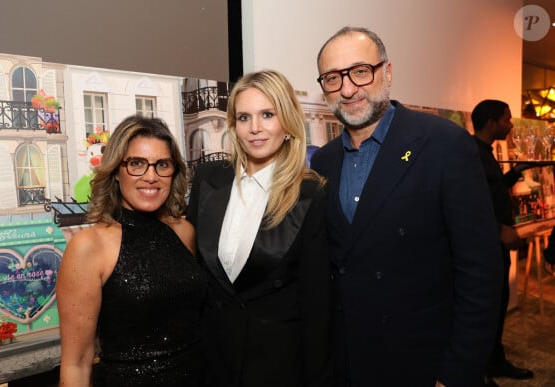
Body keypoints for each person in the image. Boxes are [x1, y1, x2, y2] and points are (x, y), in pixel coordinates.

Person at [310, 26, 504, 387]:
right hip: (351, 361)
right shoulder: (324, 161)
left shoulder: (445, 145)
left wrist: (457, 372)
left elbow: (480, 272)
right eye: (333, 78)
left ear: (387, 72)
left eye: (360, 71)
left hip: (424, 362)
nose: (348, 88)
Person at [187, 70, 332, 387]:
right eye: (244, 117)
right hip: (213, 365)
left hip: (280, 368)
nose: (255, 128)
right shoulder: (208, 179)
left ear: (288, 123)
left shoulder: (310, 194)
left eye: (267, 115)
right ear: (234, 125)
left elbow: (317, 302)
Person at [57, 115, 207, 386]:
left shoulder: (185, 232)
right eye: (136, 164)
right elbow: (76, 364)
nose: (151, 176)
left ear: (173, 172)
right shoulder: (89, 246)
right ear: (116, 170)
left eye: (162, 164)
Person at [471, 99, 534, 385]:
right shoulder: (472, 154)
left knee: (498, 304)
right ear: (491, 122)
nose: (510, 125)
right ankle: (480, 370)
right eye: (507, 120)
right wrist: (499, 230)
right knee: (485, 309)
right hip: (483, 248)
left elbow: (490, 189)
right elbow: (470, 203)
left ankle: (496, 362)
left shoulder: (485, 152)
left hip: (495, 246)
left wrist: (514, 173)